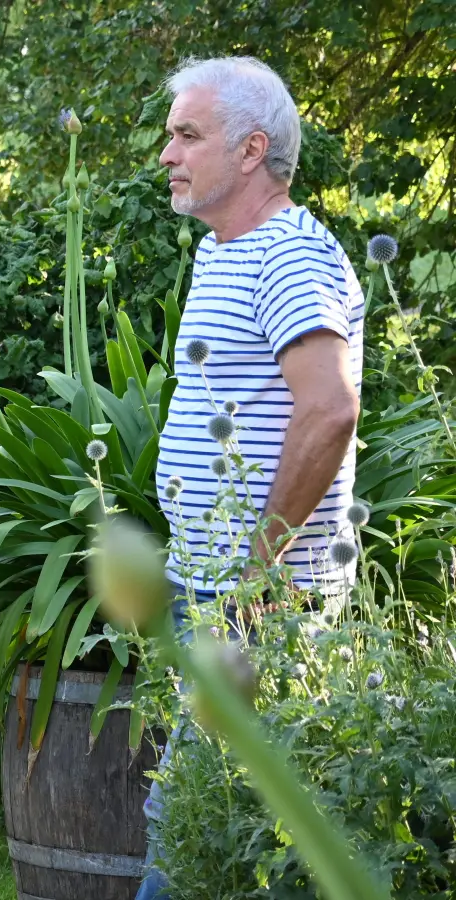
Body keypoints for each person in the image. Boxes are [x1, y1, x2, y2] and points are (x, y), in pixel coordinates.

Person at [139, 57, 365, 899]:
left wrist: (256, 573)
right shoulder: (224, 251)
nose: (167, 153)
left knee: (195, 829)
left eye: (186, 135)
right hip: (212, 587)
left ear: (250, 150)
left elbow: (329, 410)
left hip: (264, 601)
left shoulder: (292, 257)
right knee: (216, 831)